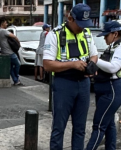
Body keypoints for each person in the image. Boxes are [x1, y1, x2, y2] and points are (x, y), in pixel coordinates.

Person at [43, 3, 98, 150]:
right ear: (70, 18)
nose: (82, 27)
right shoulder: (55, 34)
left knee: (80, 128)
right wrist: (72, 65)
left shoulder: (86, 33)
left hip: (84, 83)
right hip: (64, 84)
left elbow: (94, 54)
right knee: (58, 128)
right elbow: (47, 65)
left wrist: (92, 64)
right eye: (80, 23)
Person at [85, 21, 121, 150]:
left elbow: (113, 68)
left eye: (106, 35)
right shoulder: (112, 46)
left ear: (115, 33)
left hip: (111, 89)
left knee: (99, 125)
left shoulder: (120, 48)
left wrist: (94, 59)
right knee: (109, 124)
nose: (105, 38)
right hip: (105, 88)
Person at [0, 17, 22, 85]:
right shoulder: (4, 31)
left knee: (10, 68)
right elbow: (14, 36)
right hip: (10, 52)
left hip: (4, 52)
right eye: (6, 23)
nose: (7, 24)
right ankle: (16, 77)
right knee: (18, 64)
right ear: (2, 23)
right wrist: (19, 43)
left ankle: (16, 81)